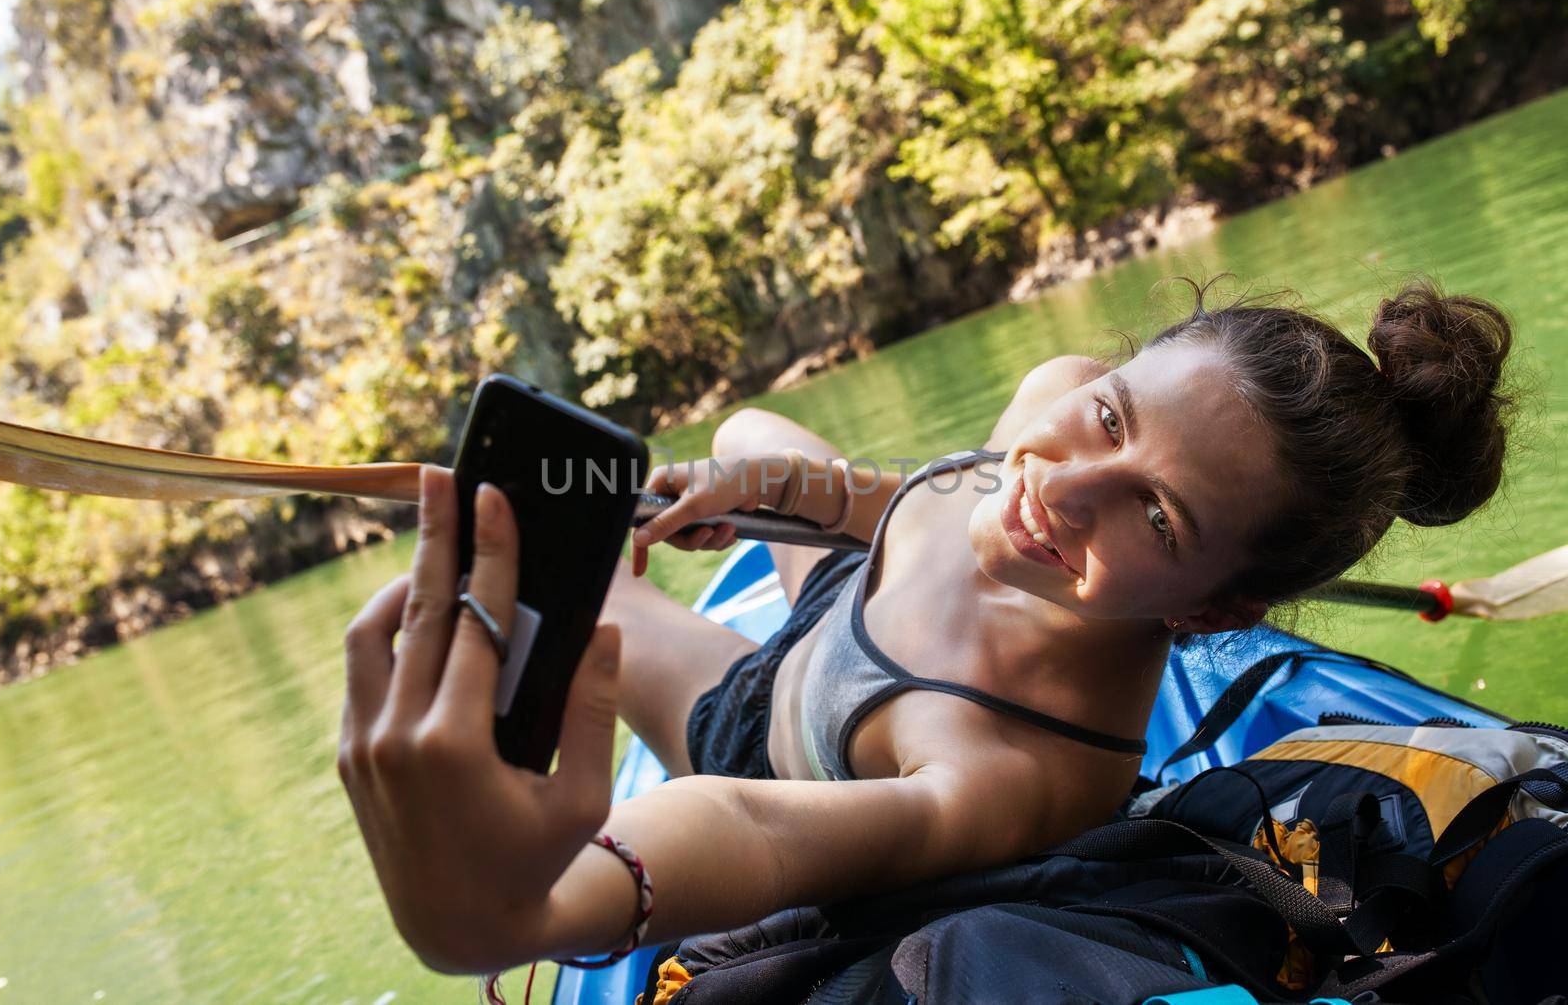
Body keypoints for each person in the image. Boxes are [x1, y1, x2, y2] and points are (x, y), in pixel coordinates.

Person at [336, 281, 1513, 977]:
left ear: (1208, 609)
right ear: (1105, 376)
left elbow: (743, 826)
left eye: (1154, 513)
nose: (1062, 486)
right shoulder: (1057, 400)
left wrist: (519, 911)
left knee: (579, 592)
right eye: (1105, 416)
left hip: (775, 732)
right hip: (846, 613)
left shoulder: (1017, 770)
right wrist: (774, 497)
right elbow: (934, 493)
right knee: (750, 431)